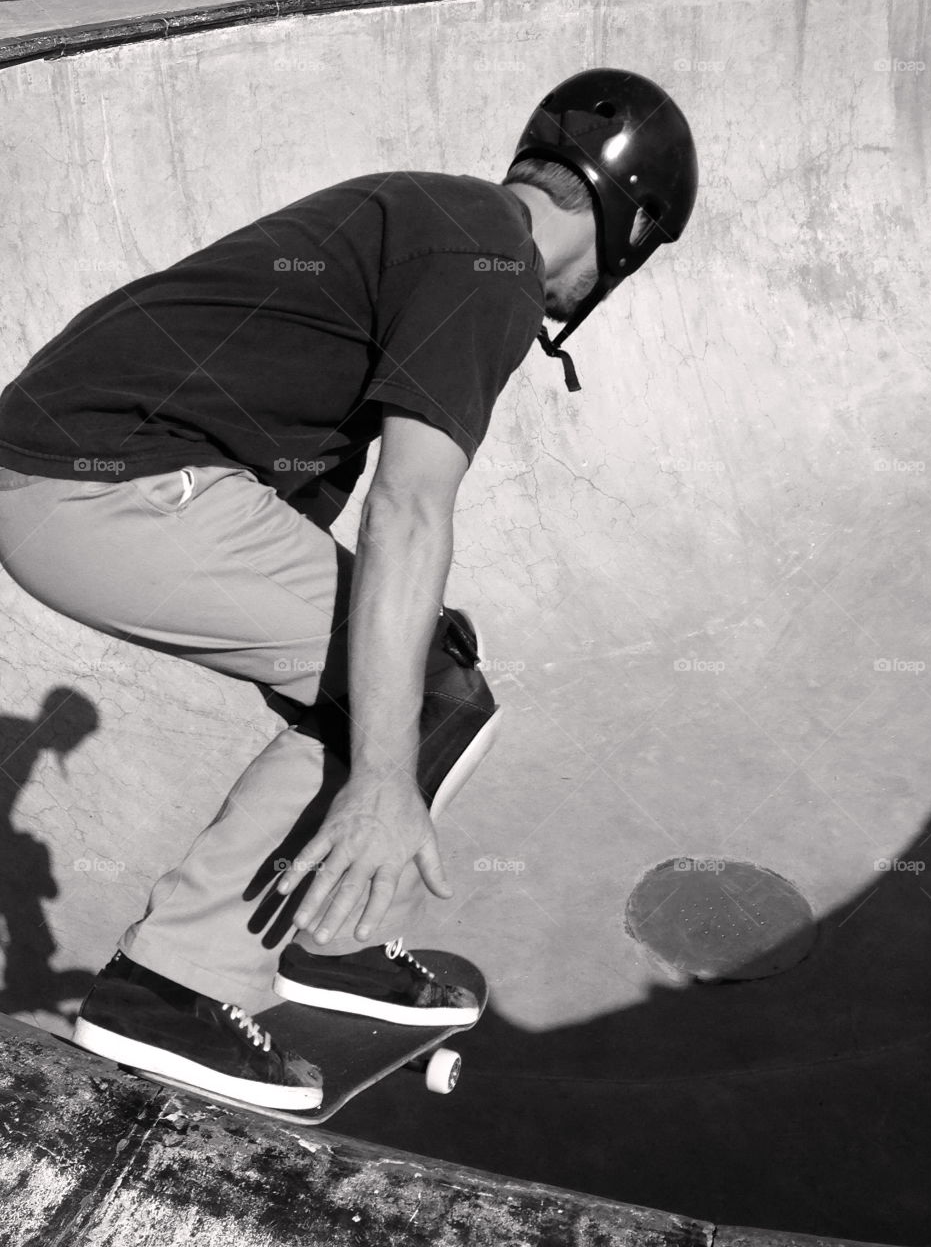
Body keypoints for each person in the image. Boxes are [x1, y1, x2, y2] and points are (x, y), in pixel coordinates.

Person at [0, 68, 697, 1115]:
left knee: (415, 662)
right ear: (631, 227)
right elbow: (411, 507)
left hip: (89, 476)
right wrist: (380, 771)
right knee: (430, 699)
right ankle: (173, 983)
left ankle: (316, 934)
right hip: (108, 489)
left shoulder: (438, 216)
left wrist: (377, 640)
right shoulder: (492, 262)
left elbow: (303, 502)